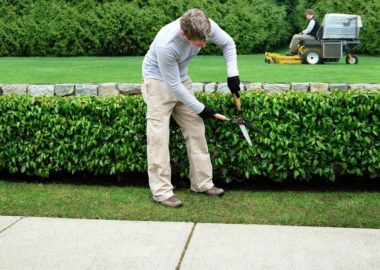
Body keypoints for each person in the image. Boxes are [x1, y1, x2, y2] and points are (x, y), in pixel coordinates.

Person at [141, 8, 241, 208]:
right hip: (158, 82)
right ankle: (161, 192)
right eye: (199, 42)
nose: (204, 45)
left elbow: (228, 43)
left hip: (182, 79)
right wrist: (202, 108)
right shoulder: (166, 44)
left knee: (196, 130)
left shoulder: (204, 25)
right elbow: (173, 85)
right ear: (184, 34)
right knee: (158, 137)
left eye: (206, 39)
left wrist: (232, 74)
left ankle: (202, 183)